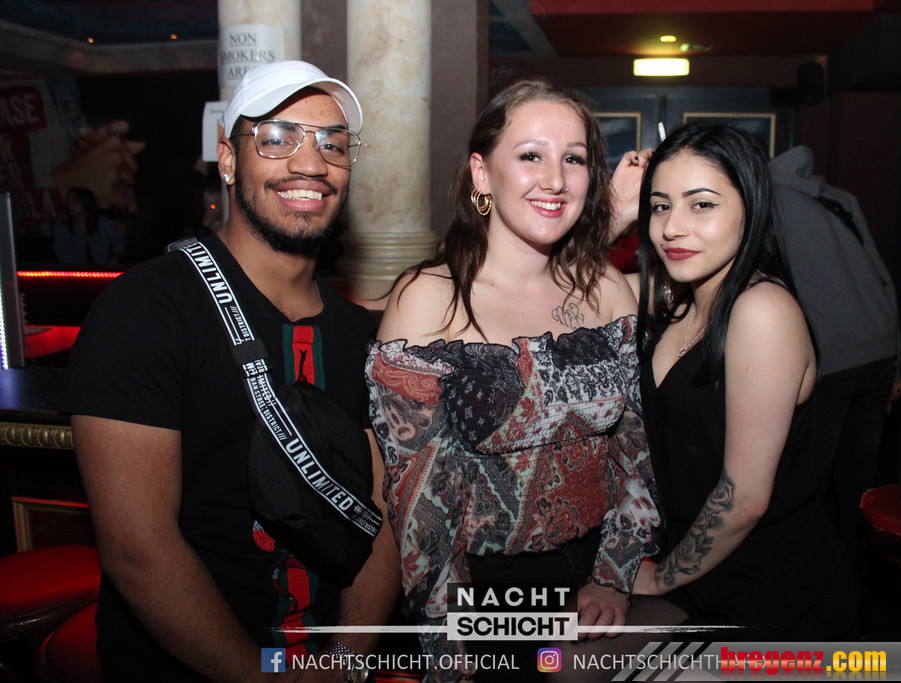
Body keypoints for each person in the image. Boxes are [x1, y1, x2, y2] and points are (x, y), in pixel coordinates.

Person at [62, 61, 400, 681]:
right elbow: (139, 550)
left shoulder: (362, 336)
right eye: (276, 138)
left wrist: (347, 663)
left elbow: (381, 522)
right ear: (227, 159)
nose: (310, 162)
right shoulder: (148, 311)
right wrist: (256, 676)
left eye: (332, 144)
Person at [364, 78, 660, 682]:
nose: (555, 180)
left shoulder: (607, 289)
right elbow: (417, 502)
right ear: (481, 174)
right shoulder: (429, 300)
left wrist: (614, 576)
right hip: (480, 592)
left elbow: (635, 454)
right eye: (530, 155)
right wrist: (449, 645)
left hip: (594, 577)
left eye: (573, 159)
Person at [631, 122, 856, 639]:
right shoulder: (680, 297)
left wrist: (661, 578)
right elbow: (570, 287)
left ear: (750, 208)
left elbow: (744, 495)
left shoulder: (762, 311)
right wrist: (617, 210)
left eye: (701, 204)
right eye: (660, 206)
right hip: (694, 553)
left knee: (569, 659)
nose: (672, 227)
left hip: (764, 580)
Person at [770, 145, 901, 559]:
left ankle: (816, 574)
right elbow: (883, 279)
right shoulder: (839, 198)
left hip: (829, 362)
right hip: (879, 351)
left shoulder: (768, 203)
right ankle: (856, 569)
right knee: (858, 480)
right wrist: (897, 365)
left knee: (806, 480)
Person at [51, 186, 126, 263]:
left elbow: (119, 241)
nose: (70, 204)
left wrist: (115, 258)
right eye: (68, 201)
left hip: (102, 268)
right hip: (74, 269)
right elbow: (61, 251)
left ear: (86, 203)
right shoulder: (63, 226)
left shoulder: (103, 224)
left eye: (75, 201)